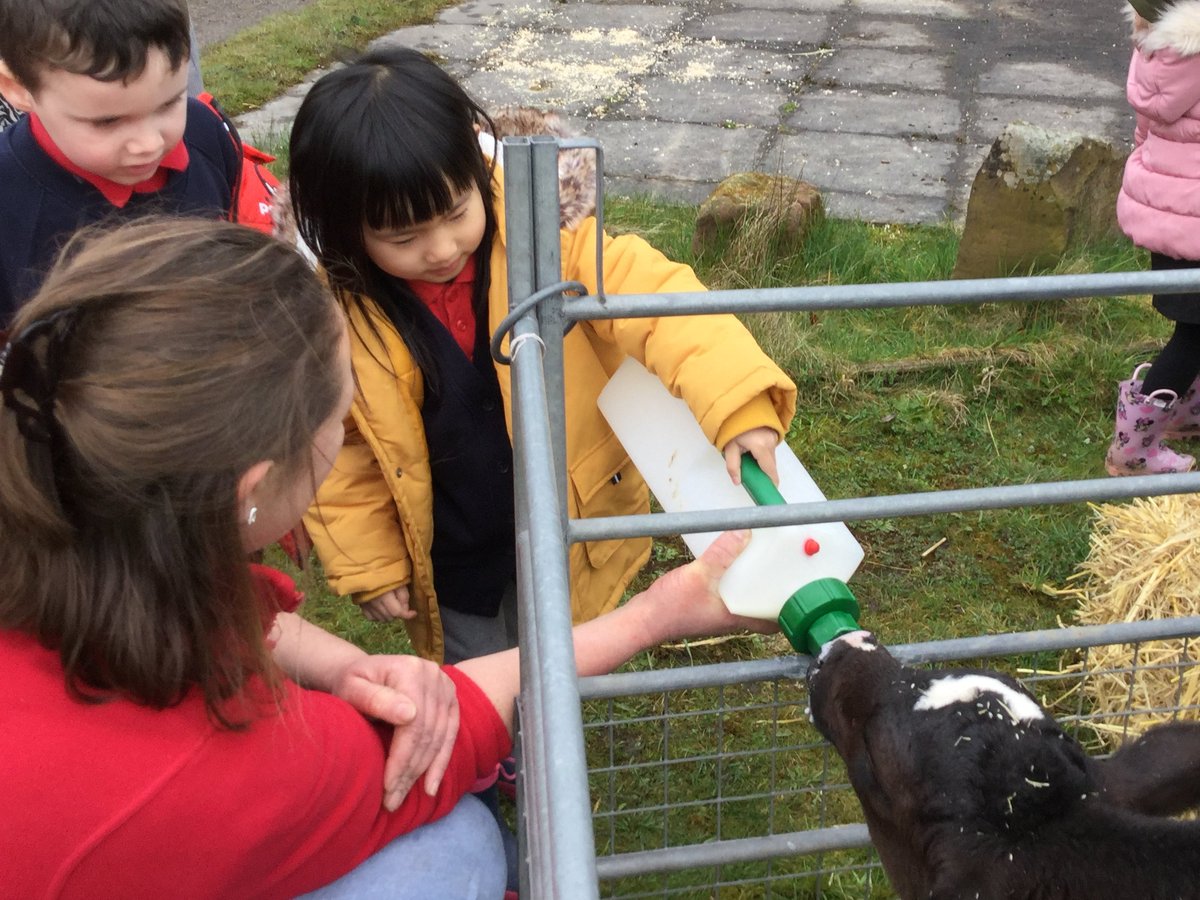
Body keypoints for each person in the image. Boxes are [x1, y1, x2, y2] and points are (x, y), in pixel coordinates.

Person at [0, 216, 774, 898]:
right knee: (456, 845)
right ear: (255, 486)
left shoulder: (67, 521)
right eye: (342, 417)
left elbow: (234, 626)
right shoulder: (232, 765)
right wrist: (657, 614)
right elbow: (427, 751)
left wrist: (339, 665)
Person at [288, 45, 799, 668]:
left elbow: (660, 301)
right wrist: (367, 556)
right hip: (451, 550)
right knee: (481, 677)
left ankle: (541, 744)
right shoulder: (338, 314)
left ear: (477, 173)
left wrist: (737, 401)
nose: (441, 247)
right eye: (403, 237)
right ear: (347, 231)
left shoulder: (552, 230)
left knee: (556, 656)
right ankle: (500, 759)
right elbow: (338, 443)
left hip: (561, 515)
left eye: (455, 214)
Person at [0, 0, 266, 323]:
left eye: (170, 103)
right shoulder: (8, 201)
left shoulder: (206, 134)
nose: (150, 144)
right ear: (19, 88)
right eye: (108, 121)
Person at [1108, 0, 1200, 475]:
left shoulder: (1161, 51)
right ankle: (1134, 451)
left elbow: (1146, 132)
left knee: (1194, 328)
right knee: (1192, 337)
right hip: (1195, 220)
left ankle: (1185, 410)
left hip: (1170, 216)